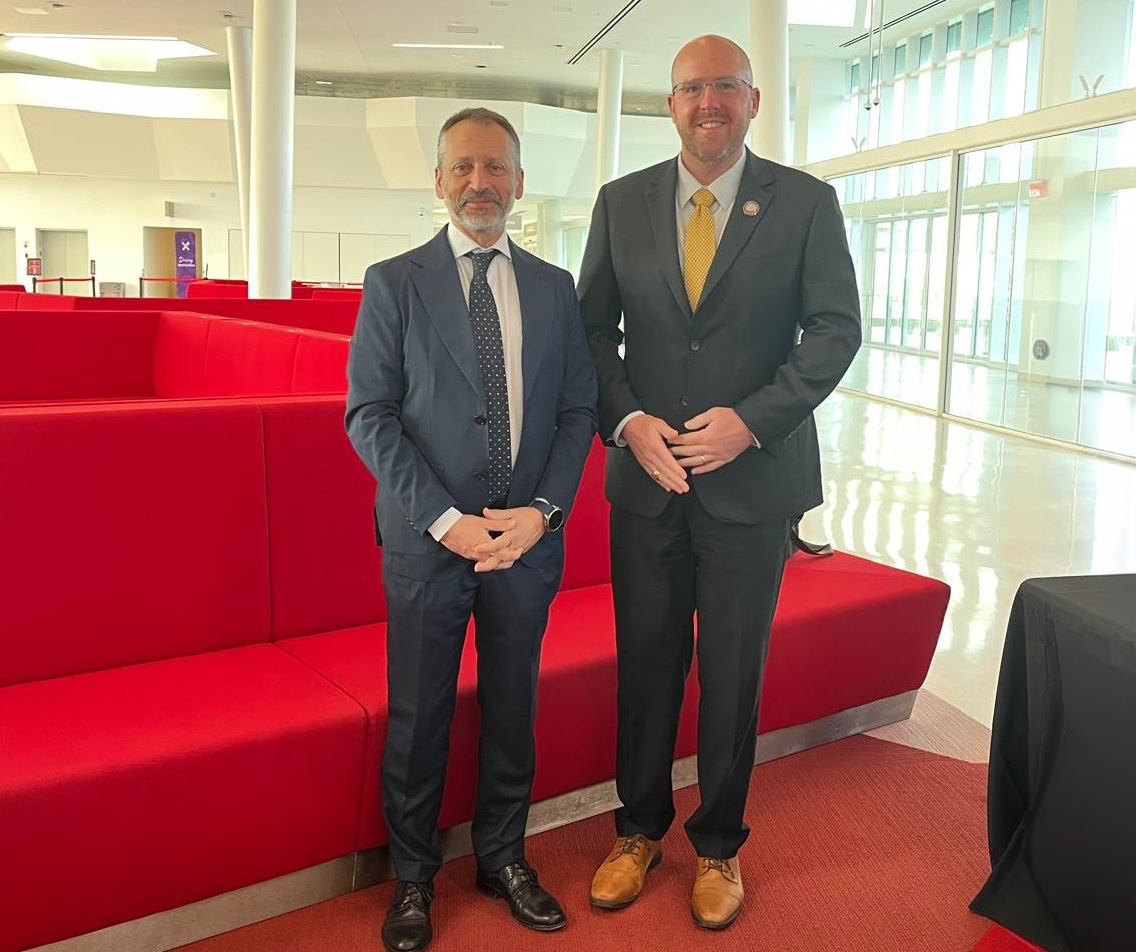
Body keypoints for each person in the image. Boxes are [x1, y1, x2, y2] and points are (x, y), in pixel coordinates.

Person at [578, 34, 862, 930]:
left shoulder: (805, 203)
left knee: (735, 673)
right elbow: (591, 334)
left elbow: (835, 329)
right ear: (671, 104)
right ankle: (636, 832)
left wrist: (754, 420)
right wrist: (628, 421)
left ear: (753, 101)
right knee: (646, 665)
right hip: (648, 479)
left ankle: (719, 846)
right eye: (693, 88)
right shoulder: (621, 203)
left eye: (726, 87)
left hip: (753, 482)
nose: (710, 102)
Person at [345, 106, 597, 952]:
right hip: (429, 542)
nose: (479, 183)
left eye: (495, 168)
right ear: (440, 181)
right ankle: (413, 875)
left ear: (520, 182)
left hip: (525, 543)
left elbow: (577, 411)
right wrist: (446, 520)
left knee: (513, 706)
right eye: (463, 167)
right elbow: (370, 415)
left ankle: (503, 857)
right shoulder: (395, 282)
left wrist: (543, 513)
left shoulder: (554, 289)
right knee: (419, 716)